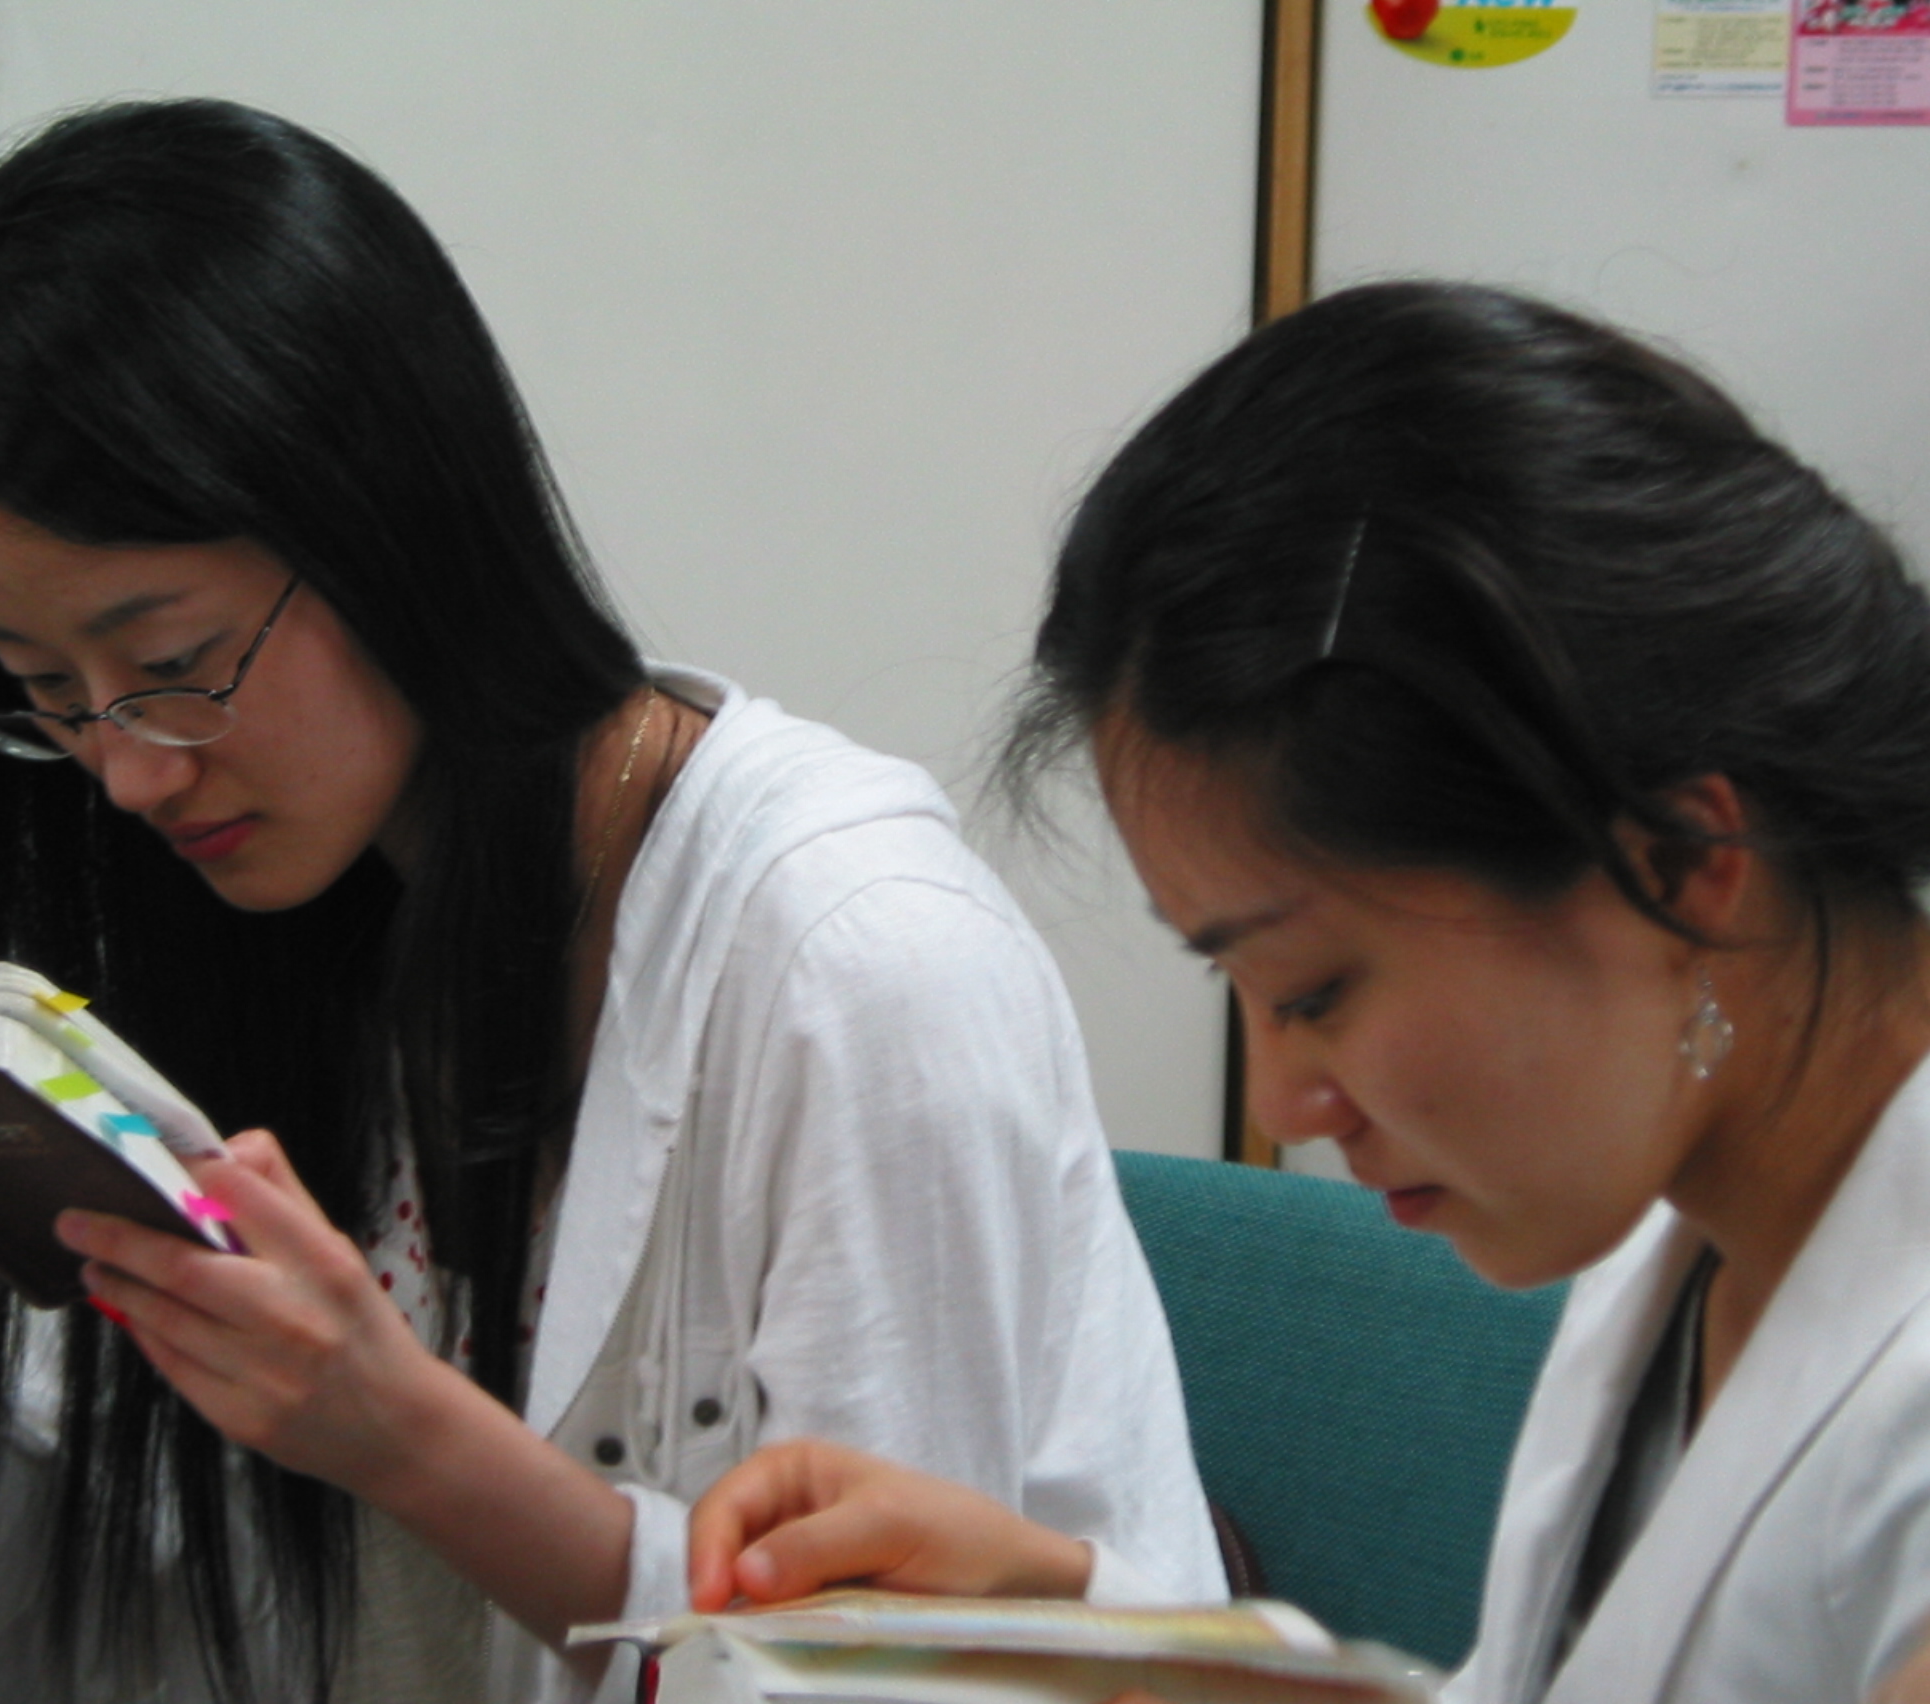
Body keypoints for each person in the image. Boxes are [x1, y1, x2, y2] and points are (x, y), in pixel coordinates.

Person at [0, 100, 1225, 1704]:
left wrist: (405, 1442)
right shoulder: (291, 919)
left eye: (175, 664)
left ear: (384, 515)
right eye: (46, 692)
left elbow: (883, 1687)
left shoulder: (854, 964)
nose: (125, 771)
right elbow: (148, 1654)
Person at [689, 281, 1930, 1704]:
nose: (1285, 1102)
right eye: (1241, 986)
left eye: (1318, 989)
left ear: (1684, 859)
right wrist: (1065, 1619)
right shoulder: (1689, 1226)